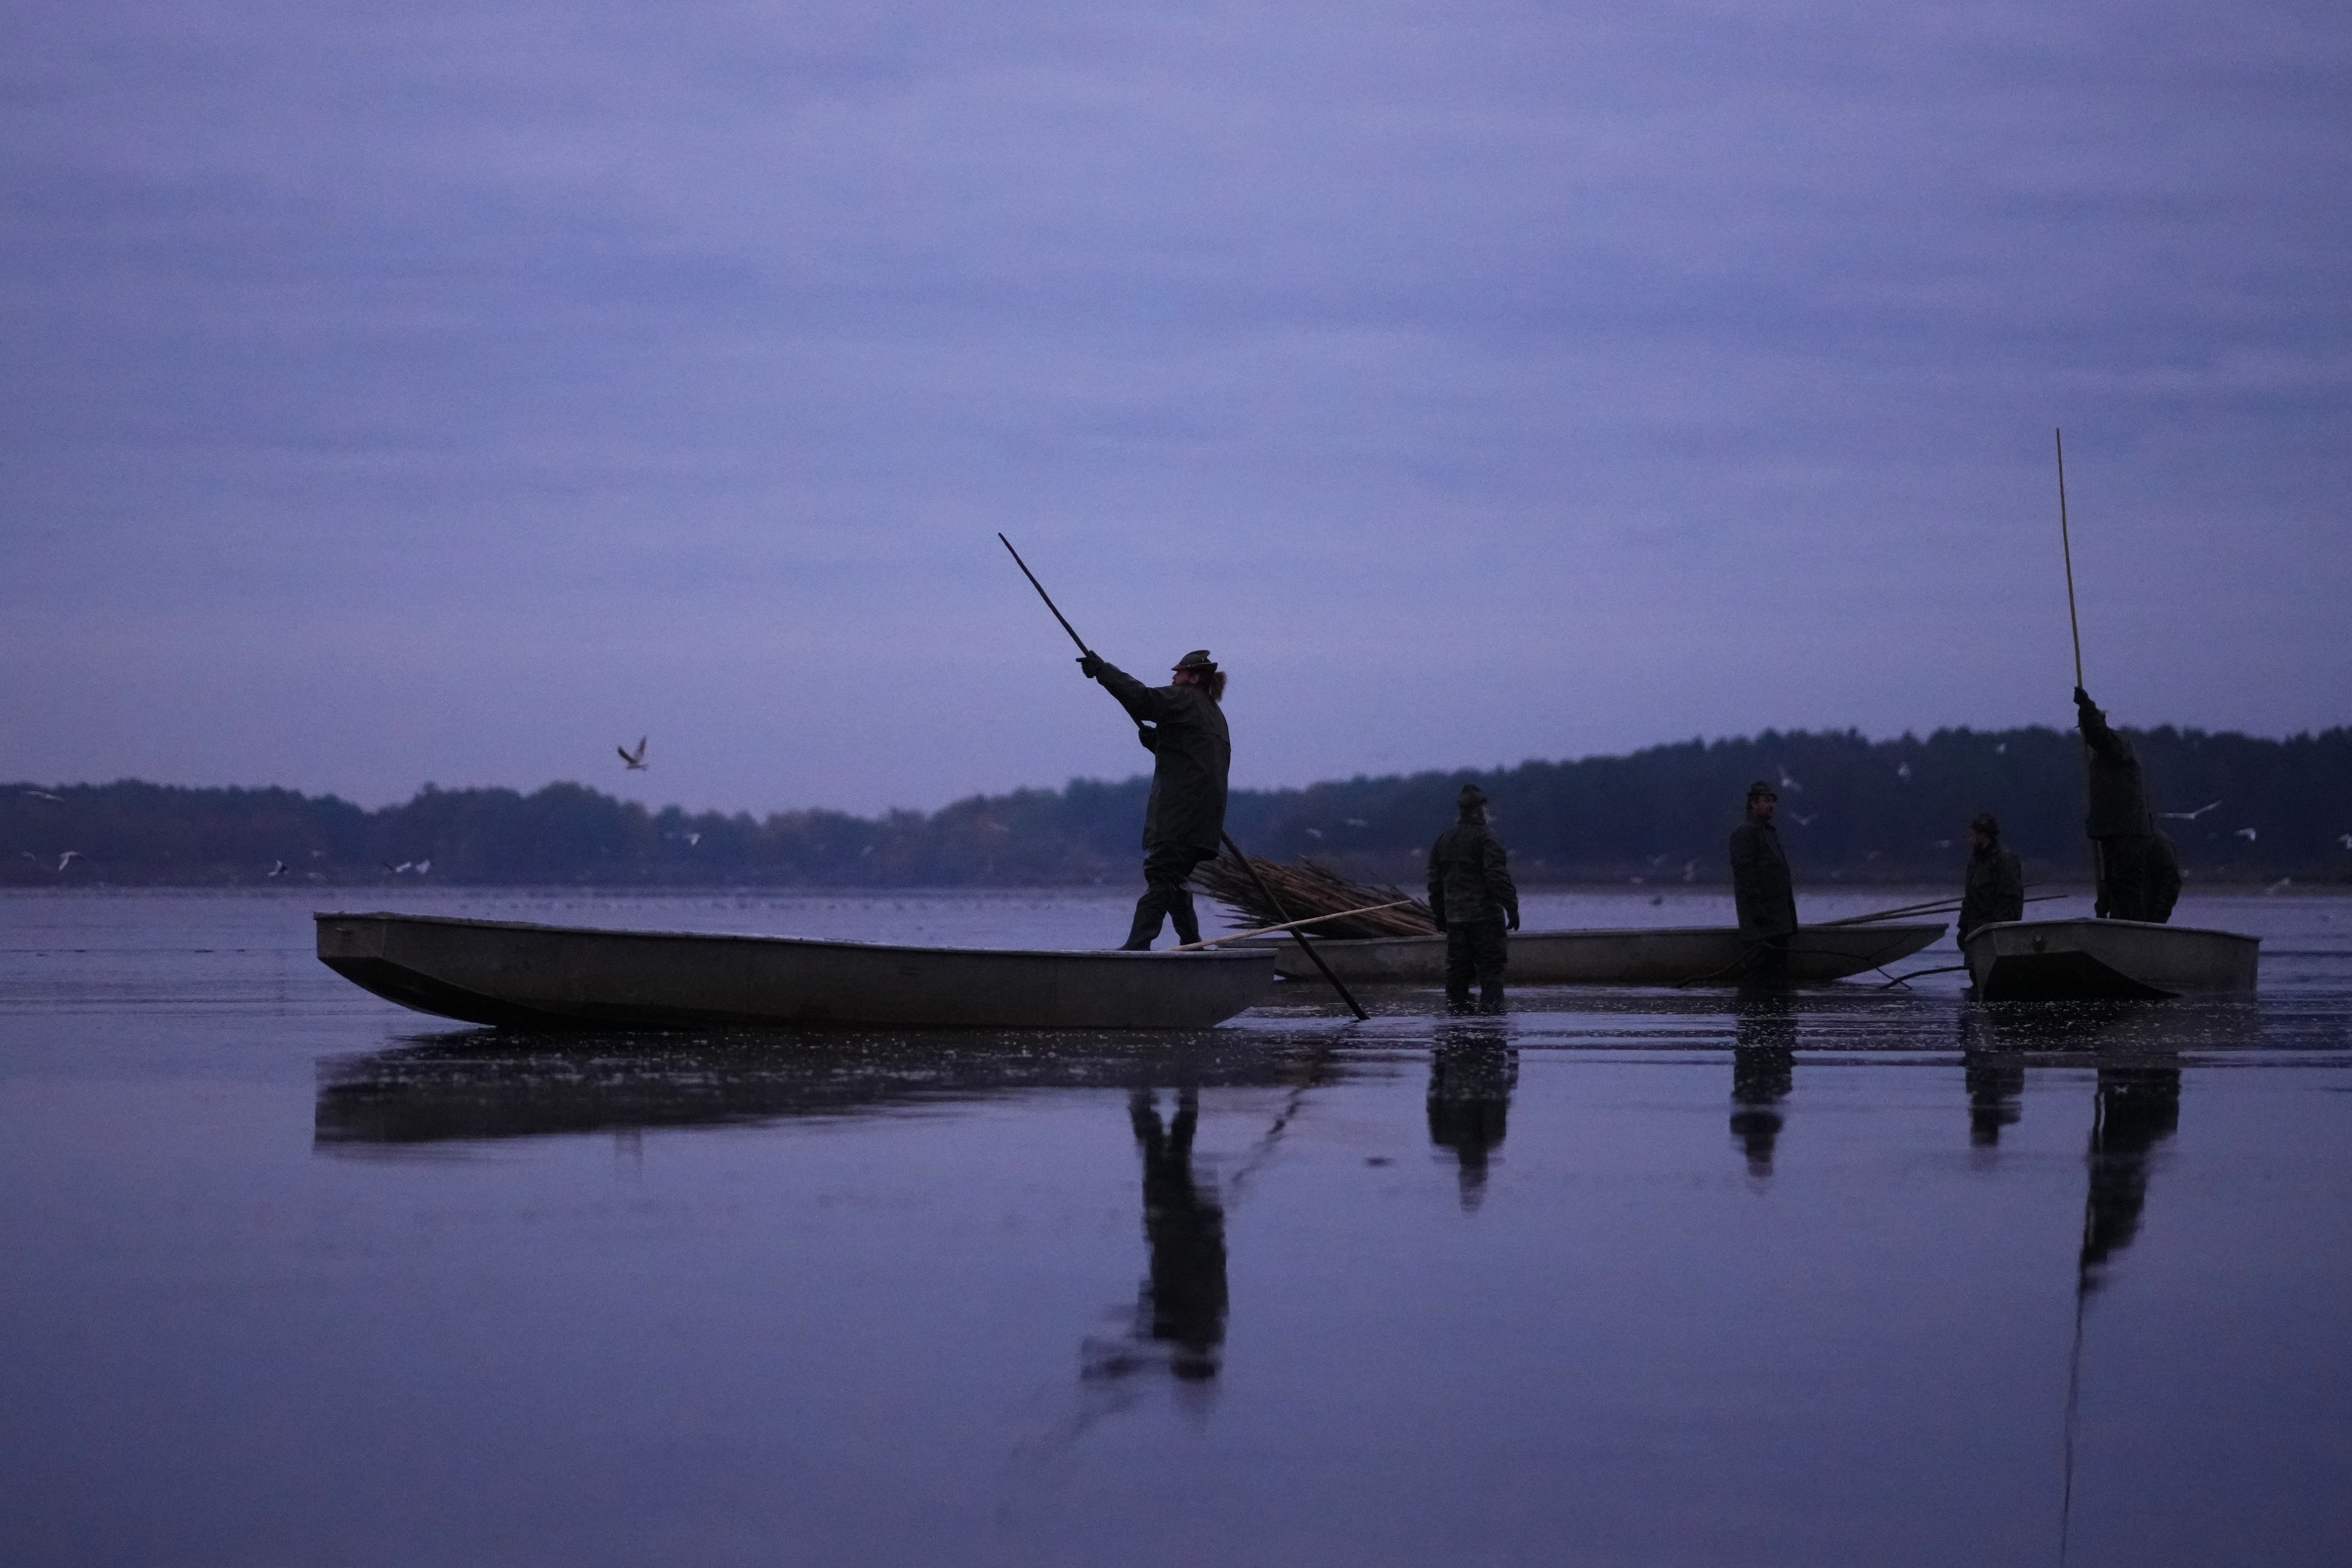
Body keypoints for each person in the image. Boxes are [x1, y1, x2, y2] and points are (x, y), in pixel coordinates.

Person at [1080, 647, 1231, 949]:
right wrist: (1161, 744)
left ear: (1194, 677)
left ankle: (1137, 946)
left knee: (1161, 873)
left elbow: (1142, 700)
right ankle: (1193, 944)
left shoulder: (1185, 699)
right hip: (1204, 820)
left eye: (1179, 672)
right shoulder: (1214, 715)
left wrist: (1102, 671)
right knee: (1173, 879)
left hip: (1181, 815)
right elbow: (1193, 758)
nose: (1174, 677)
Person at [2073, 687, 2178, 923]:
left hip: (2128, 830)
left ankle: (2136, 931)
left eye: (2088, 727)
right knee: (2113, 883)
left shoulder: (2120, 745)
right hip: (2111, 830)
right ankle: (2112, 923)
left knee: (2128, 884)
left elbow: (2098, 734)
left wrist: (2086, 706)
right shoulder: (2099, 763)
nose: (2086, 735)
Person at [1427, 783, 1520, 1010]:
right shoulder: (1487, 838)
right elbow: (1497, 876)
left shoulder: (1444, 839)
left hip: (1456, 922)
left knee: (1457, 978)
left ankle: (1456, 1031)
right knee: (1491, 975)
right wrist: (1512, 907)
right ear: (1480, 810)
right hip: (1485, 921)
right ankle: (1492, 1031)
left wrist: (1440, 916)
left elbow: (1434, 884)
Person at [1728, 779, 1799, 985]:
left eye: (1773, 801)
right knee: (1758, 978)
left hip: (1779, 922)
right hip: (1761, 924)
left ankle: (1775, 1015)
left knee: (1777, 978)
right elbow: (1745, 877)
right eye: (1766, 801)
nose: (1771, 805)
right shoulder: (1745, 833)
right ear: (1753, 804)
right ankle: (1753, 1015)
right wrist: (1759, 913)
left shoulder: (1768, 833)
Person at [1957, 811, 2026, 941]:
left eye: (1972, 835)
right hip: (1974, 936)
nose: (1969, 840)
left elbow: (2011, 903)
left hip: (1994, 937)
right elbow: (1969, 901)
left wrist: (1996, 932)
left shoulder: (2005, 861)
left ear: (1982, 836)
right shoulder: (1975, 862)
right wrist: (1963, 929)